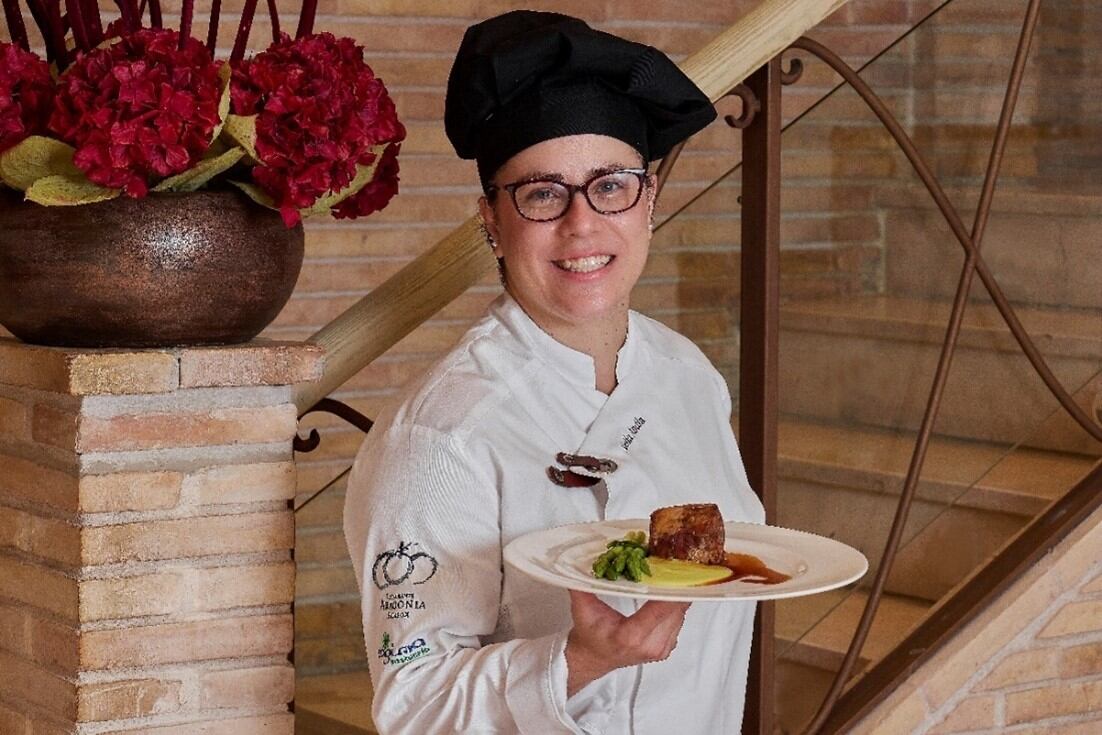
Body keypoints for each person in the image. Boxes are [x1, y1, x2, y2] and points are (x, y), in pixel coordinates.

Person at [344, 10, 765, 734]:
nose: (582, 225)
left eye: (612, 186)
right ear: (490, 222)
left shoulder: (689, 374)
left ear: (650, 203)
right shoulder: (441, 436)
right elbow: (413, 706)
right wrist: (579, 659)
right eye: (542, 193)